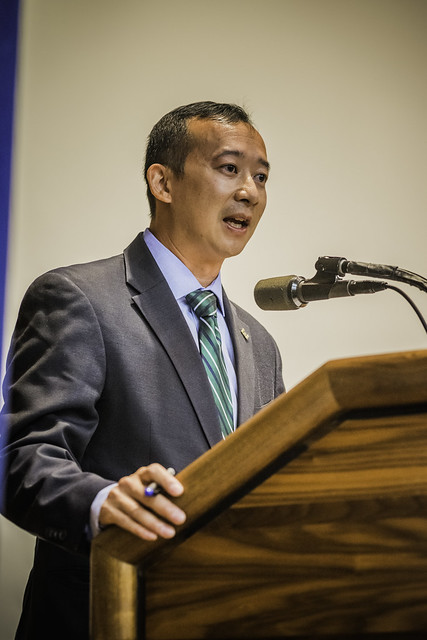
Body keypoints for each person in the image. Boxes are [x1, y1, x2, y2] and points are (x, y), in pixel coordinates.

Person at [0, 101, 284, 639]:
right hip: (106, 615)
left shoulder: (260, 344)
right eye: (229, 169)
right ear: (162, 181)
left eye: (262, 176)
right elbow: (20, 457)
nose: (250, 191)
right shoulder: (80, 298)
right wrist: (104, 503)